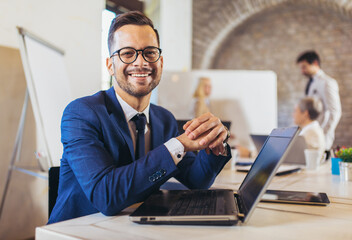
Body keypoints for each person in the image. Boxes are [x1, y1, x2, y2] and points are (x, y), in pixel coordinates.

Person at [48, 11, 231, 224]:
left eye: (149, 52)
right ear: (110, 65)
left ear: (160, 62)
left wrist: (213, 145)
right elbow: (105, 196)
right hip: (77, 230)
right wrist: (176, 145)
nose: (141, 62)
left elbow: (196, 180)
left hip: (133, 229)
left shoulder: (164, 119)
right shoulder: (81, 113)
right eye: (127, 53)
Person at [296, 51, 341, 157]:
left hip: (321, 137)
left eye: (304, 67)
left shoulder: (327, 82)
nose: (302, 71)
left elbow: (335, 112)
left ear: (315, 63)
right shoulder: (311, 83)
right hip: (309, 133)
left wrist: (321, 133)